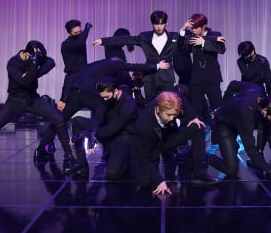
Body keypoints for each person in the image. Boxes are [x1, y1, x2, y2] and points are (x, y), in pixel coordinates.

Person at [35, 57, 171, 165]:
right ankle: (107, 149)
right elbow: (133, 66)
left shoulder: (95, 64)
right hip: (90, 94)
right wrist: (157, 66)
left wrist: (64, 98)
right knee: (106, 115)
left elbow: (72, 78)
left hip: (75, 92)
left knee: (59, 121)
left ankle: (40, 150)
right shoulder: (114, 64)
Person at [0, 41, 73, 174]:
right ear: (27, 54)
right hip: (15, 100)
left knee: (59, 119)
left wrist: (35, 72)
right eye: (34, 57)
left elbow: (51, 62)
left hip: (33, 99)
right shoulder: (13, 63)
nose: (37, 59)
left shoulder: (35, 57)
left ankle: (69, 156)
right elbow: (25, 82)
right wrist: (34, 66)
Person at [134, 91, 219, 196]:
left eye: (174, 115)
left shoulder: (171, 101)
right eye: (169, 115)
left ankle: (199, 173)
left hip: (168, 138)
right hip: (151, 147)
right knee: (145, 184)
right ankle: (184, 155)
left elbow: (180, 96)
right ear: (158, 109)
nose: (171, 118)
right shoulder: (143, 124)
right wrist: (159, 181)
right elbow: (143, 157)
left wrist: (193, 117)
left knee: (198, 127)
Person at [207, 86, 271, 186]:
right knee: (231, 169)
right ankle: (199, 154)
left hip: (238, 120)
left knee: (268, 125)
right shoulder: (247, 113)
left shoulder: (258, 90)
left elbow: (234, 84)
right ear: (265, 110)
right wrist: (270, 171)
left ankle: (232, 146)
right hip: (225, 125)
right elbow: (250, 149)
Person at [93, 11, 180, 100]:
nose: (159, 27)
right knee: (150, 104)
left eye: (161, 24)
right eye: (156, 24)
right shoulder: (145, 37)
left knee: (168, 103)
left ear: (166, 23)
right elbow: (126, 39)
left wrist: (183, 31)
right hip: (150, 75)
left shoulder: (174, 36)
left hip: (167, 75)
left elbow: (184, 46)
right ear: (152, 24)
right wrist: (103, 41)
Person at [179, 13, 226, 120]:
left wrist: (204, 43)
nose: (193, 30)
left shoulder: (215, 35)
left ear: (203, 26)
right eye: (192, 28)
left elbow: (221, 50)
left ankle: (221, 129)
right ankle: (198, 129)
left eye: (196, 28)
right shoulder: (192, 36)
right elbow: (182, 50)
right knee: (196, 109)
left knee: (218, 107)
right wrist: (183, 30)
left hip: (212, 77)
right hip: (196, 78)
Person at [59, 20, 92, 111]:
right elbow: (80, 43)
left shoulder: (80, 39)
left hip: (84, 74)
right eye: (76, 33)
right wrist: (87, 28)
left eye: (80, 32)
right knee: (64, 103)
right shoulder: (66, 44)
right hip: (73, 75)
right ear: (69, 33)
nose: (79, 34)